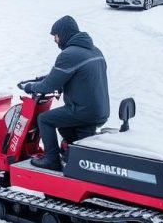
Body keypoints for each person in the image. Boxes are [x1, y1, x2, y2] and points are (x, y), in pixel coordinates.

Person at [21, 16, 110, 171]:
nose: (55, 40)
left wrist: (29, 87)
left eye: (55, 35)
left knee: (44, 119)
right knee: (65, 126)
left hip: (84, 111)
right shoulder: (94, 50)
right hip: (100, 110)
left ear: (64, 33)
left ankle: (52, 160)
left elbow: (49, 85)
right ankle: (72, 155)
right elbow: (81, 77)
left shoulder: (69, 54)